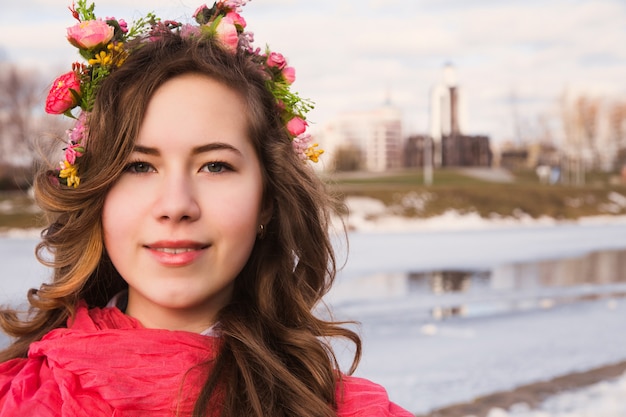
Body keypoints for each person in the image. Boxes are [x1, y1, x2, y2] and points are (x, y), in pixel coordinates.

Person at [0, 1, 413, 416]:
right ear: (96, 193)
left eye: (215, 166)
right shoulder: (17, 397)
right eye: (139, 166)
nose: (176, 205)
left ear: (267, 199)